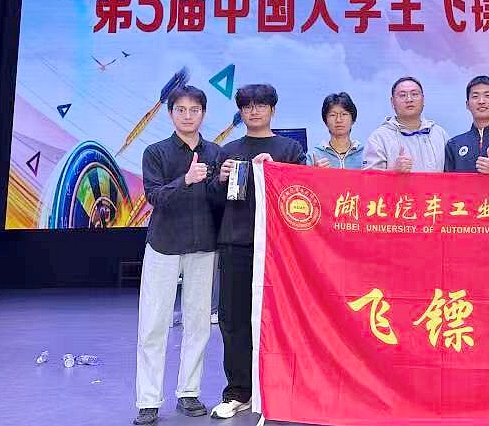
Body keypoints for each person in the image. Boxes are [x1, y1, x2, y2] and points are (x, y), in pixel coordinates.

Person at [212, 85, 306, 418]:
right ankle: (239, 391)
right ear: (241, 112)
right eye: (247, 106)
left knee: (280, 318)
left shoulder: (289, 149)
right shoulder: (228, 151)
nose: (254, 111)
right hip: (236, 243)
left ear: (272, 110)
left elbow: (302, 193)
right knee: (234, 319)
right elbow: (214, 202)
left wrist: (277, 169)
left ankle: (280, 389)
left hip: (279, 248)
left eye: (261, 105)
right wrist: (219, 179)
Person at [134, 86, 221, 425]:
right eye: (181, 110)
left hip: (204, 245)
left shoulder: (215, 153)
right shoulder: (155, 152)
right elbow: (155, 197)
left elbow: (220, 200)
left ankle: (189, 392)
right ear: (170, 113)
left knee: (198, 324)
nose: (188, 116)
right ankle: (148, 400)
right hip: (164, 244)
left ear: (203, 113)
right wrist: (185, 180)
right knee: (153, 324)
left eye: (194, 110)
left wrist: (221, 180)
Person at [363, 77, 449, 172]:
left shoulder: (439, 134)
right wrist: (393, 171)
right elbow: (369, 178)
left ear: (423, 99)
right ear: (392, 102)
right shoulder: (379, 137)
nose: (409, 99)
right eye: (402, 95)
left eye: (414, 94)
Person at [307, 92, 364, 169]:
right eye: (333, 115)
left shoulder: (364, 153)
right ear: (326, 121)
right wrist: (314, 172)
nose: (338, 120)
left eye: (344, 114)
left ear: (353, 120)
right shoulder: (315, 155)